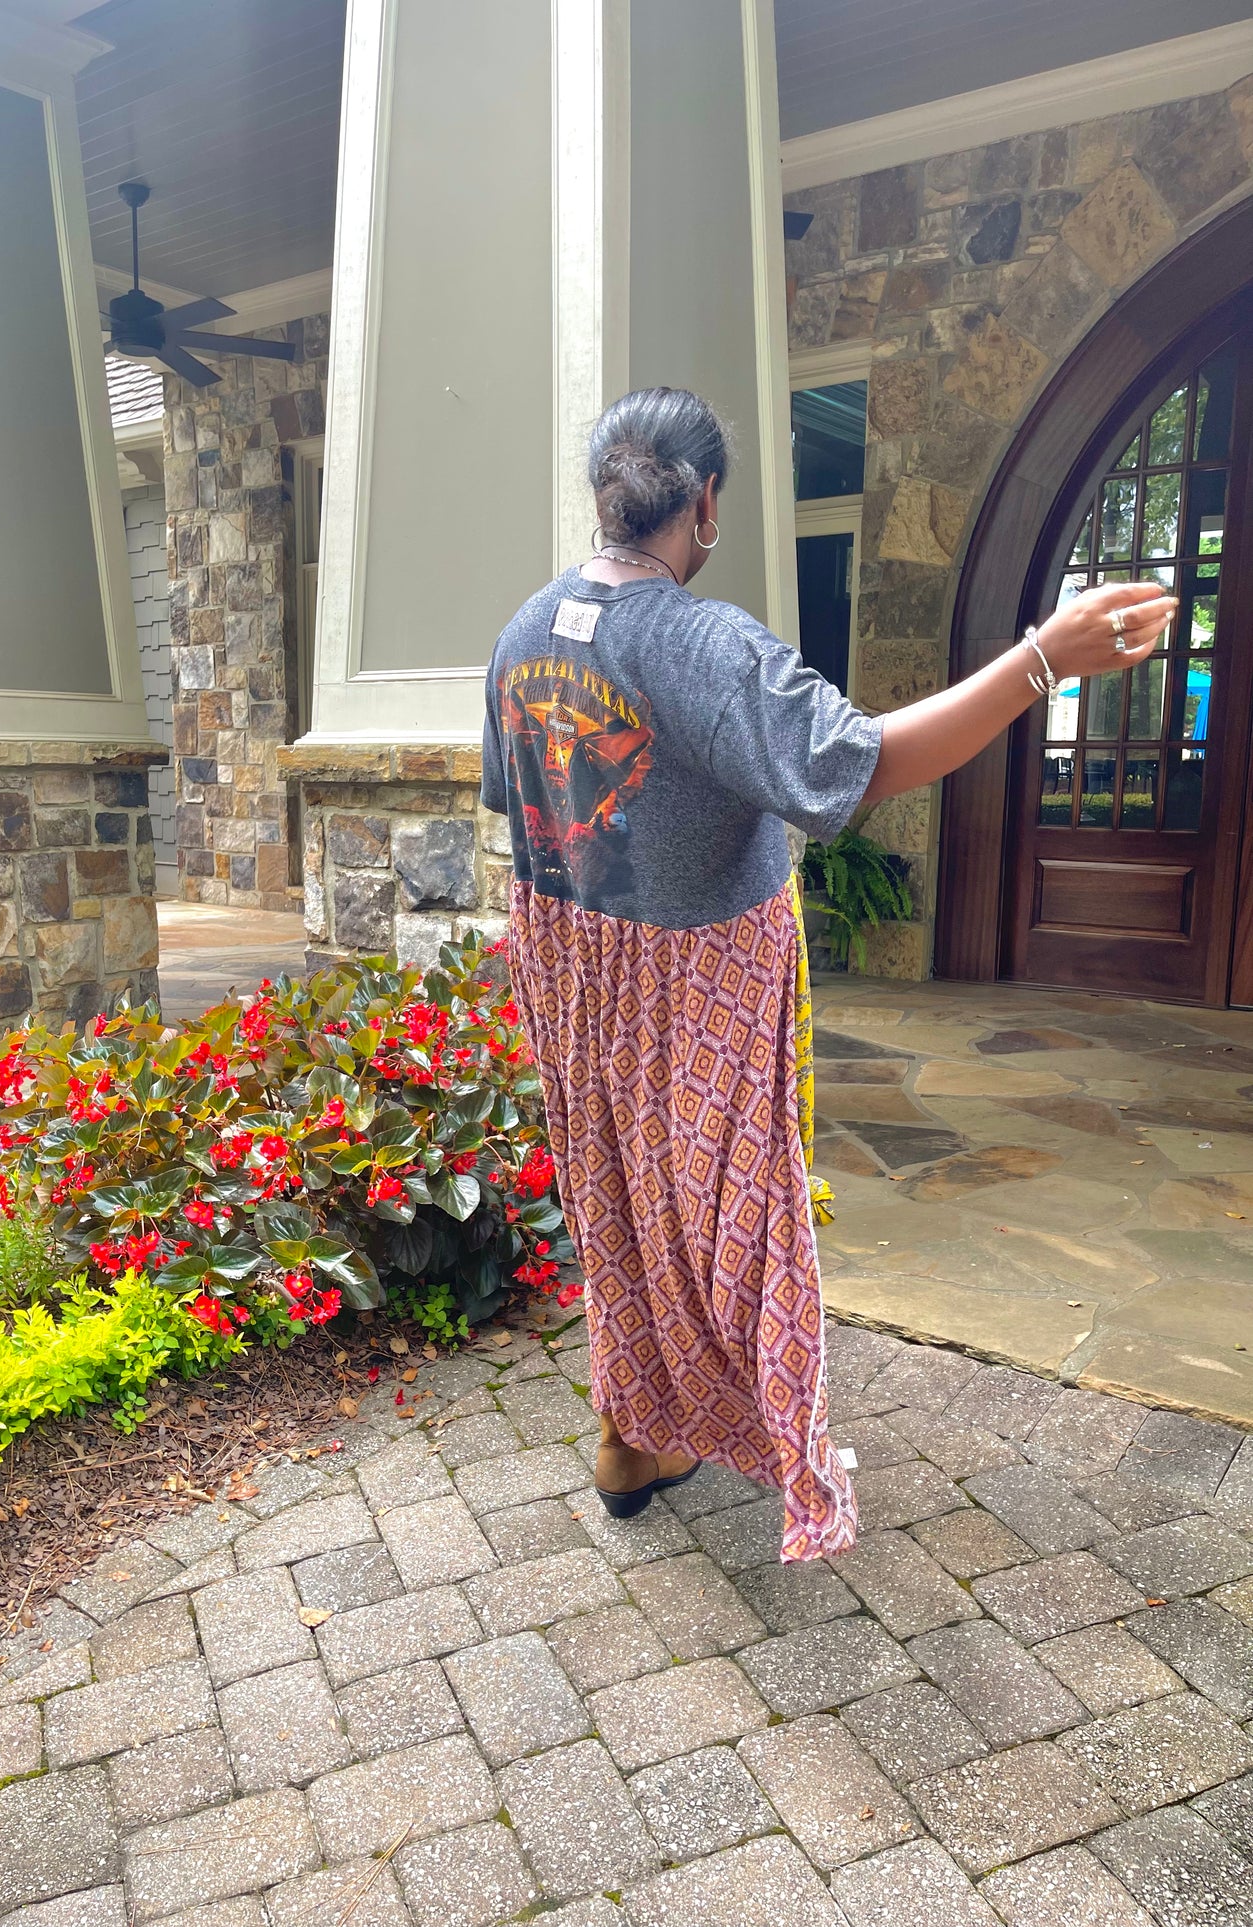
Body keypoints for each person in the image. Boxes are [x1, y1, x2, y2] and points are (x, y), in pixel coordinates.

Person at [480, 387, 1175, 1562]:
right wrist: (1038, 662)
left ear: (603, 495)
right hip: (694, 969)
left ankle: (626, 1437)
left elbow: (521, 802)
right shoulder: (703, 646)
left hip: (569, 949)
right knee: (736, 1209)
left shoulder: (523, 630)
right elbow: (865, 763)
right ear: (704, 503)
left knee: (618, 1195)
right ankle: (763, 1446)